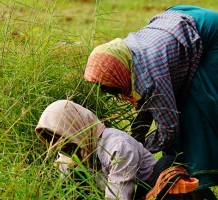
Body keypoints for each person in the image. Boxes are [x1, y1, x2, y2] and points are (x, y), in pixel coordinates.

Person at [84, 5, 218, 197]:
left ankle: (200, 178)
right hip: (180, 20)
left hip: (211, 37)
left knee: (196, 111)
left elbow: (169, 128)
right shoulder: (127, 55)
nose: (113, 94)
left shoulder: (153, 74)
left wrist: (137, 149)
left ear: (119, 73)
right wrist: (136, 134)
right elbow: (149, 103)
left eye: (111, 87)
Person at [35, 100, 199, 200]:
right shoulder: (69, 156)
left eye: (61, 137)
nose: (59, 146)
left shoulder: (117, 146)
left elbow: (118, 196)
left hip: (148, 192)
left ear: (76, 128)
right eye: (53, 140)